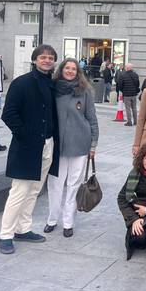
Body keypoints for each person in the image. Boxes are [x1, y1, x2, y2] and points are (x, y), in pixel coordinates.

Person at [0, 45, 60, 255]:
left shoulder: (52, 84)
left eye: (50, 58)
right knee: (19, 191)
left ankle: (23, 229)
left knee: (34, 190)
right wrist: (25, 135)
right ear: (34, 60)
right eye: (43, 57)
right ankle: (6, 234)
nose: (47, 60)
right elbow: (9, 114)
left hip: (48, 144)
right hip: (27, 146)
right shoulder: (21, 83)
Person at [44, 58, 99, 238]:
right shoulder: (52, 89)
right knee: (55, 184)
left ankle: (68, 222)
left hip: (80, 144)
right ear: (61, 70)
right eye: (67, 68)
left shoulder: (84, 92)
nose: (70, 71)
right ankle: (52, 219)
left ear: (78, 72)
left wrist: (93, 144)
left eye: (73, 69)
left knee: (74, 184)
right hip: (57, 145)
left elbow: (91, 118)